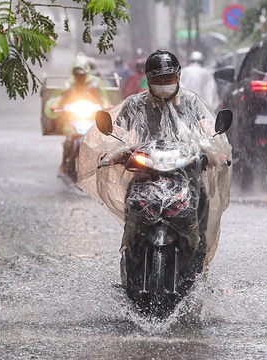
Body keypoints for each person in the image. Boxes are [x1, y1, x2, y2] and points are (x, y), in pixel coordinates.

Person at [76, 49, 232, 270]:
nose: (163, 83)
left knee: (202, 199)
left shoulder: (191, 102)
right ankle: (131, 252)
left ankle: (198, 255)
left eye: (168, 79)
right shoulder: (135, 105)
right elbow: (120, 134)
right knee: (133, 202)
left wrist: (216, 150)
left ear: (178, 77)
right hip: (145, 170)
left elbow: (206, 127)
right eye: (158, 79)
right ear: (148, 80)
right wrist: (113, 151)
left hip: (184, 170)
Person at [44, 52, 112, 176]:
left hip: (92, 119)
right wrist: (55, 105)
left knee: (102, 140)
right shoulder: (68, 85)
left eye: (82, 75)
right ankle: (64, 163)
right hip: (73, 120)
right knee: (69, 138)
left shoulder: (96, 84)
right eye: (77, 75)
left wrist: (107, 106)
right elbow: (58, 99)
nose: (79, 77)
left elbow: (104, 100)